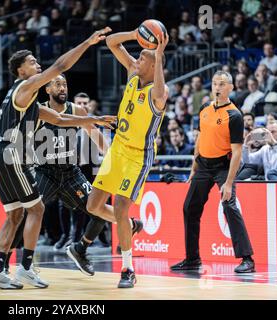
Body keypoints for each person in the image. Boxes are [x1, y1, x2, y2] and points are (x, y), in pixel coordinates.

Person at [0, 27, 116, 290]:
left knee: (15, 214)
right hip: (11, 153)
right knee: (36, 209)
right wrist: (87, 42)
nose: (38, 64)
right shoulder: (26, 85)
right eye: (32, 62)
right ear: (21, 70)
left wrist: (93, 119)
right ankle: (25, 268)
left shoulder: (26, 99)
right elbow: (60, 65)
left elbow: (58, 119)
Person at [5, 75, 143, 276]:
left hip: (71, 174)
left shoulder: (77, 110)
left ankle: (81, 250)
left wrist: (114, 160)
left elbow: (94, 134)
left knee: (97, 209)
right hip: (45, 172)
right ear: (48, 90)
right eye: (57, 84)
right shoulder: (38, 110)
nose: (62, 88)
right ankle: (7, 264)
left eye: (65, 84)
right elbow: (19, 137)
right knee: (27, 212)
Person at [87, 29, 169, 288]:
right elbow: (111, 42)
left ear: (154, 64)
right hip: (117, 149)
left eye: (143, 59)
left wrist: (158, 52)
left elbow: (159, 85)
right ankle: (131, 225)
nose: (137, 60)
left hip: (138, 155)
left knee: (121, 206)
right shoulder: (133, 74)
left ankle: (127, 268)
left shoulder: (159, 92)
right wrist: (136, 34)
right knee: (93, 206)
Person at [170, 71, 255, 273]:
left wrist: (228, 182)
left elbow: (237, 153)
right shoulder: (204, 109)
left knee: (229, 206)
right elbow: (200, 139)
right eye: (215, 83)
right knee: (189, 207)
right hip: (203, 166)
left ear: (230, 88)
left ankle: (247, 258)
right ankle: (192, 259)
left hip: (223, 167)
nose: (217, 87)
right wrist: (194, 167)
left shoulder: (234, 115)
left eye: (222, 84)